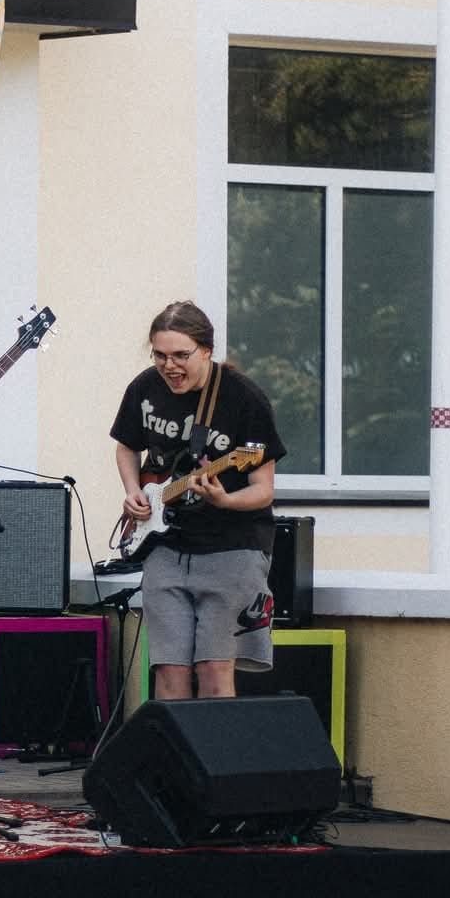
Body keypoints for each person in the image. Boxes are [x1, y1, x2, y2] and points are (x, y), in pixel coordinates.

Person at [110, 300, 286, 700]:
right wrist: (133, 490)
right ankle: (173, 745)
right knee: (168, 672)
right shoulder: (144, 387)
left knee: (214, 672)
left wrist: (225, 500)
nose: (169, 366)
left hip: (232, 548)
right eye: (160, 355)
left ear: (206, 350)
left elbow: (263, 489)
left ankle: (215, 745)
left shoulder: (244, 398)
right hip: (166, 548)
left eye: (180, 355)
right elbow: (126, 446)